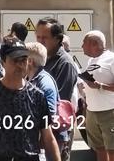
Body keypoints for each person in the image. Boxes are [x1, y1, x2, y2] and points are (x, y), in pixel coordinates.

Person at [36, 19, 77, 161]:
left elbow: (58, 103)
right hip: (39, 129)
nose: (40, 41)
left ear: (58, 39)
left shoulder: (65, 64)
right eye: (38, 37)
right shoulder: (40, 59)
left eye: (45, 38)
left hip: (56, 131)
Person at [80, 30, 114, 161]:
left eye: (84, 43)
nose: (82, 46)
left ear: (94, 43)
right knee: (98, 148)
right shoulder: (91, 61)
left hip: (109, 112)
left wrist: (100, 86)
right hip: (92, 112)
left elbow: (99, 85)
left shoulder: (111, 59)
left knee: (111, 149)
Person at [25, 43, 59, 119]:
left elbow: (50, 115)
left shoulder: (45, 82)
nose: (19, 63)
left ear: (30, 61)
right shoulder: (28, 79)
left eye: (22, 59)